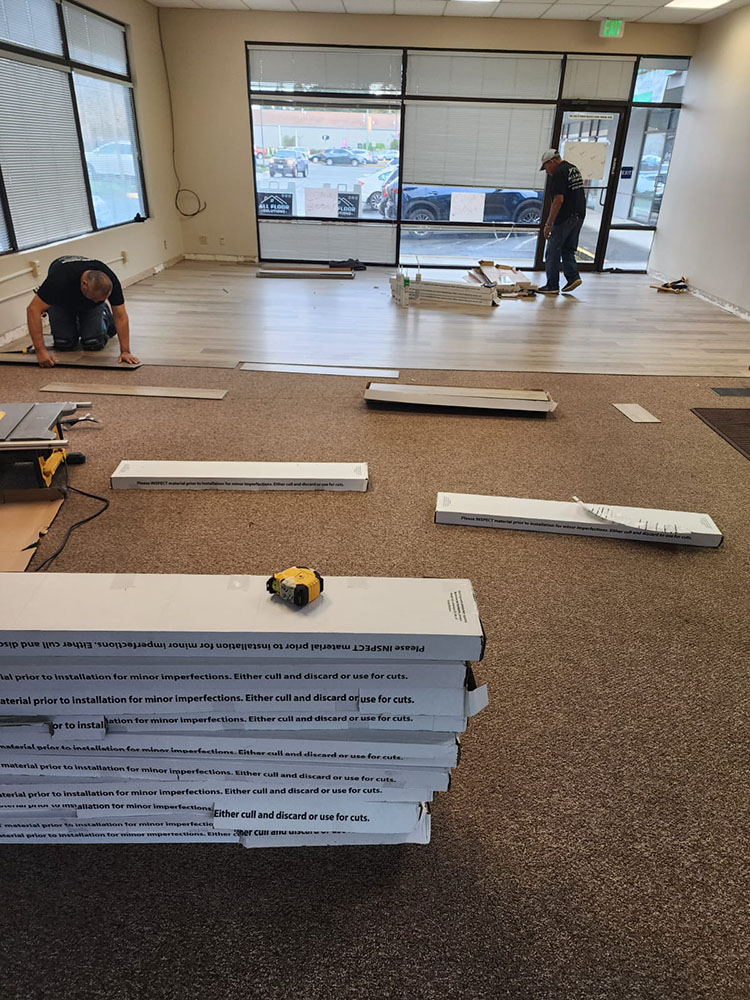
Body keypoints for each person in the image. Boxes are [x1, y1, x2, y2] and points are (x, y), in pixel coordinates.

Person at [26, 255, 139, 367]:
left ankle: (105, 316)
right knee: (64, 344)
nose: (96, 301)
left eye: (101, 300)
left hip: (89, 307)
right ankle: (75, 323)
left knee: (93, 342)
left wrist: (125, 351)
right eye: (95, 298)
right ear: (84, 284)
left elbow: (120, 316)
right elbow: (33, 310)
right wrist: (40, 351)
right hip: (61, 302)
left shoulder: (109, 280)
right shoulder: (59, 278)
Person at [537, 149, 586, 295]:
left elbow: (558, 200)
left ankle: (552, 285)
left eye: (546, 167)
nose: (547, 172)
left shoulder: (559, 173)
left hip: (565, 216)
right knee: (568, 248)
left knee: (553, 251)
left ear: (552, 161)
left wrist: (548, 224)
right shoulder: (573, 168)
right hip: (579, 214)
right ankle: (573, 277)